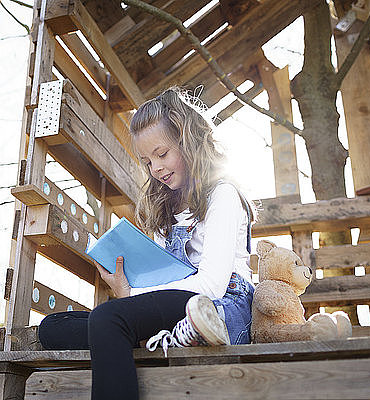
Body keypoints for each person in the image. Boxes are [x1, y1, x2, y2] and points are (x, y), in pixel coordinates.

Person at [37, 87, 256, 400]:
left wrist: (129, 293)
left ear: (189, 141)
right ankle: (147, 336)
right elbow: (164, 279)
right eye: (147, 161)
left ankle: (150, 335)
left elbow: (212, 285)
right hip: (176, 304)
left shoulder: (223, 195)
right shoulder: (166, 207)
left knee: (108, 318)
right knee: (54, 327)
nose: (156, 169)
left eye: (162, 154)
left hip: (217, 307)